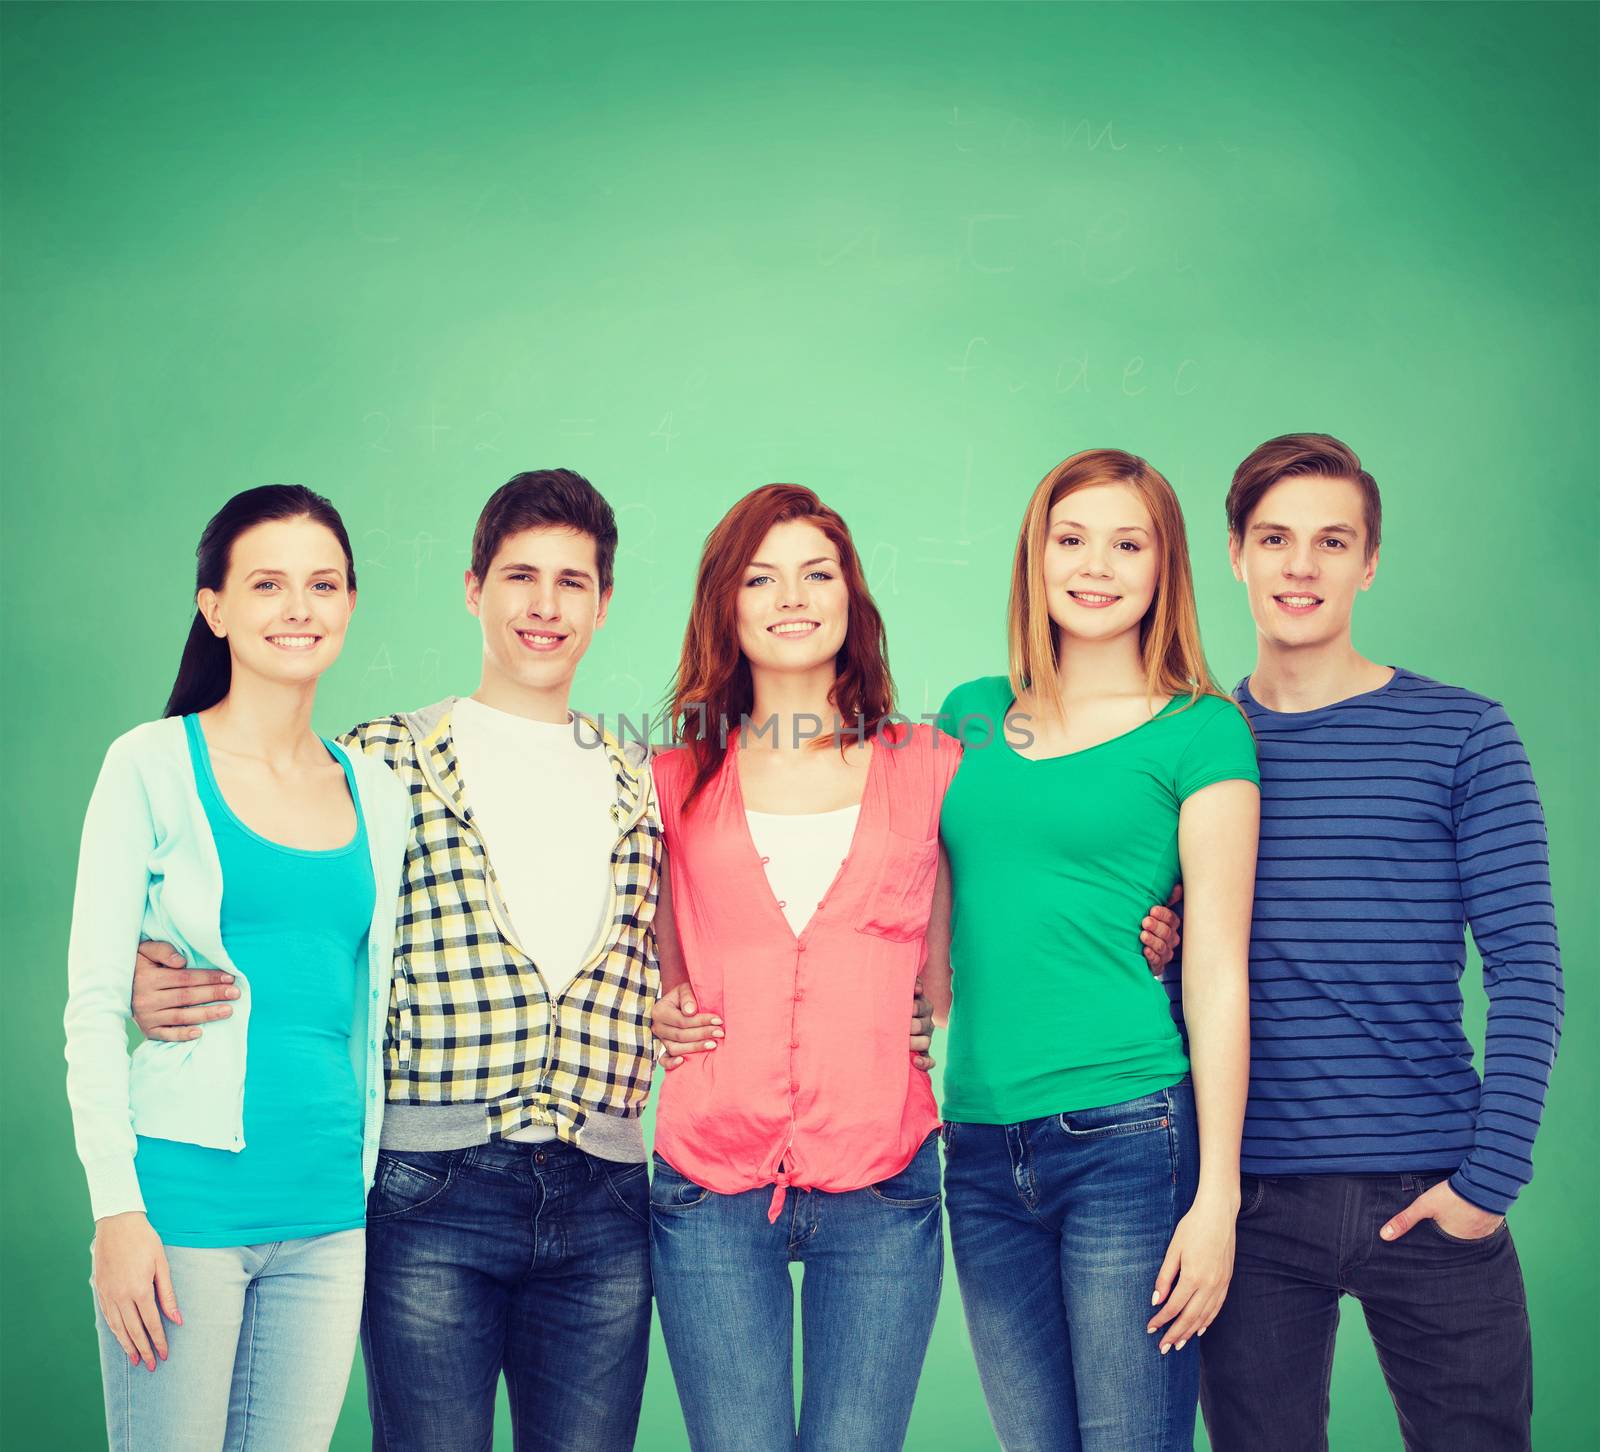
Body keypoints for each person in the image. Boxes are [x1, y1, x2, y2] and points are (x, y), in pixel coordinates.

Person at [644, 482, 1190, 1452]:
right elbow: (619, 934)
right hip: (708, 1180)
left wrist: (1160, 910)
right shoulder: (671, 774)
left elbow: (1045, 848)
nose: (792, 596)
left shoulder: (935, 758)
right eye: (761, 577)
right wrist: (651, 1006)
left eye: (818, 573)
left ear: (853, 598)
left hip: (882, 1178)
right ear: (724, 603)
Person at [127, 470, 662, 1452]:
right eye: (518, 577)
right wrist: (143, 970)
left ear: (604, 602)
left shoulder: (644, 784)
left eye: (572, 583)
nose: (543, 607)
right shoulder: (381, 764)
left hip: (605, 1195)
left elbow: (696, 947)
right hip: (431, 1186)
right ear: (472, 589)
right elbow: (275, 895)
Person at [1195, 434, 1563, 1452]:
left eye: (1330, 541)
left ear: (1368, 562)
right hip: (1248, 1203)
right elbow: (1182, 963)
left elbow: (1527, 970)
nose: (1299, 566)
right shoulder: (1194, 745)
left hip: (1432, 1191)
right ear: (1235, 553)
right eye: (1274, 538)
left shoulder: (1464, 736)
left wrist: (1488, 1183)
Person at [925, 448, 1259, 1452]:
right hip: (978, 1144)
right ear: (1036, 556)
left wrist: (1217, 1200)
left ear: (1165, 567)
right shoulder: (968, 714)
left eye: (1127, 543)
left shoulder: (1202, 731)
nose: (1094, 565)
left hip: (1128, 1136)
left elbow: (1214, 971)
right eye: (1070, 539)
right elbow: (916, 932)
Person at [65, 485, 411, 1451]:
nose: (299, 608)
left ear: (348, 605)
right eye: (267, 584)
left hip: (331, 1214)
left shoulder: (378, 793)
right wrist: (116, 1216)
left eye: (323, 584)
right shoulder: (149, 765)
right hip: (183, 1209)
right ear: (214, 608)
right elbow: (92, 1004)